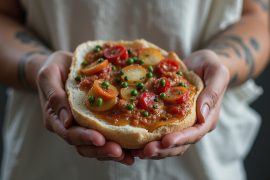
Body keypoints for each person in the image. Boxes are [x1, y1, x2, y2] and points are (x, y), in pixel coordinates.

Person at [0, 0, 269, 179]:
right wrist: (38, 67)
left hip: (202, 166)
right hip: (48, 160)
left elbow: (257, 16)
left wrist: (221, 65)